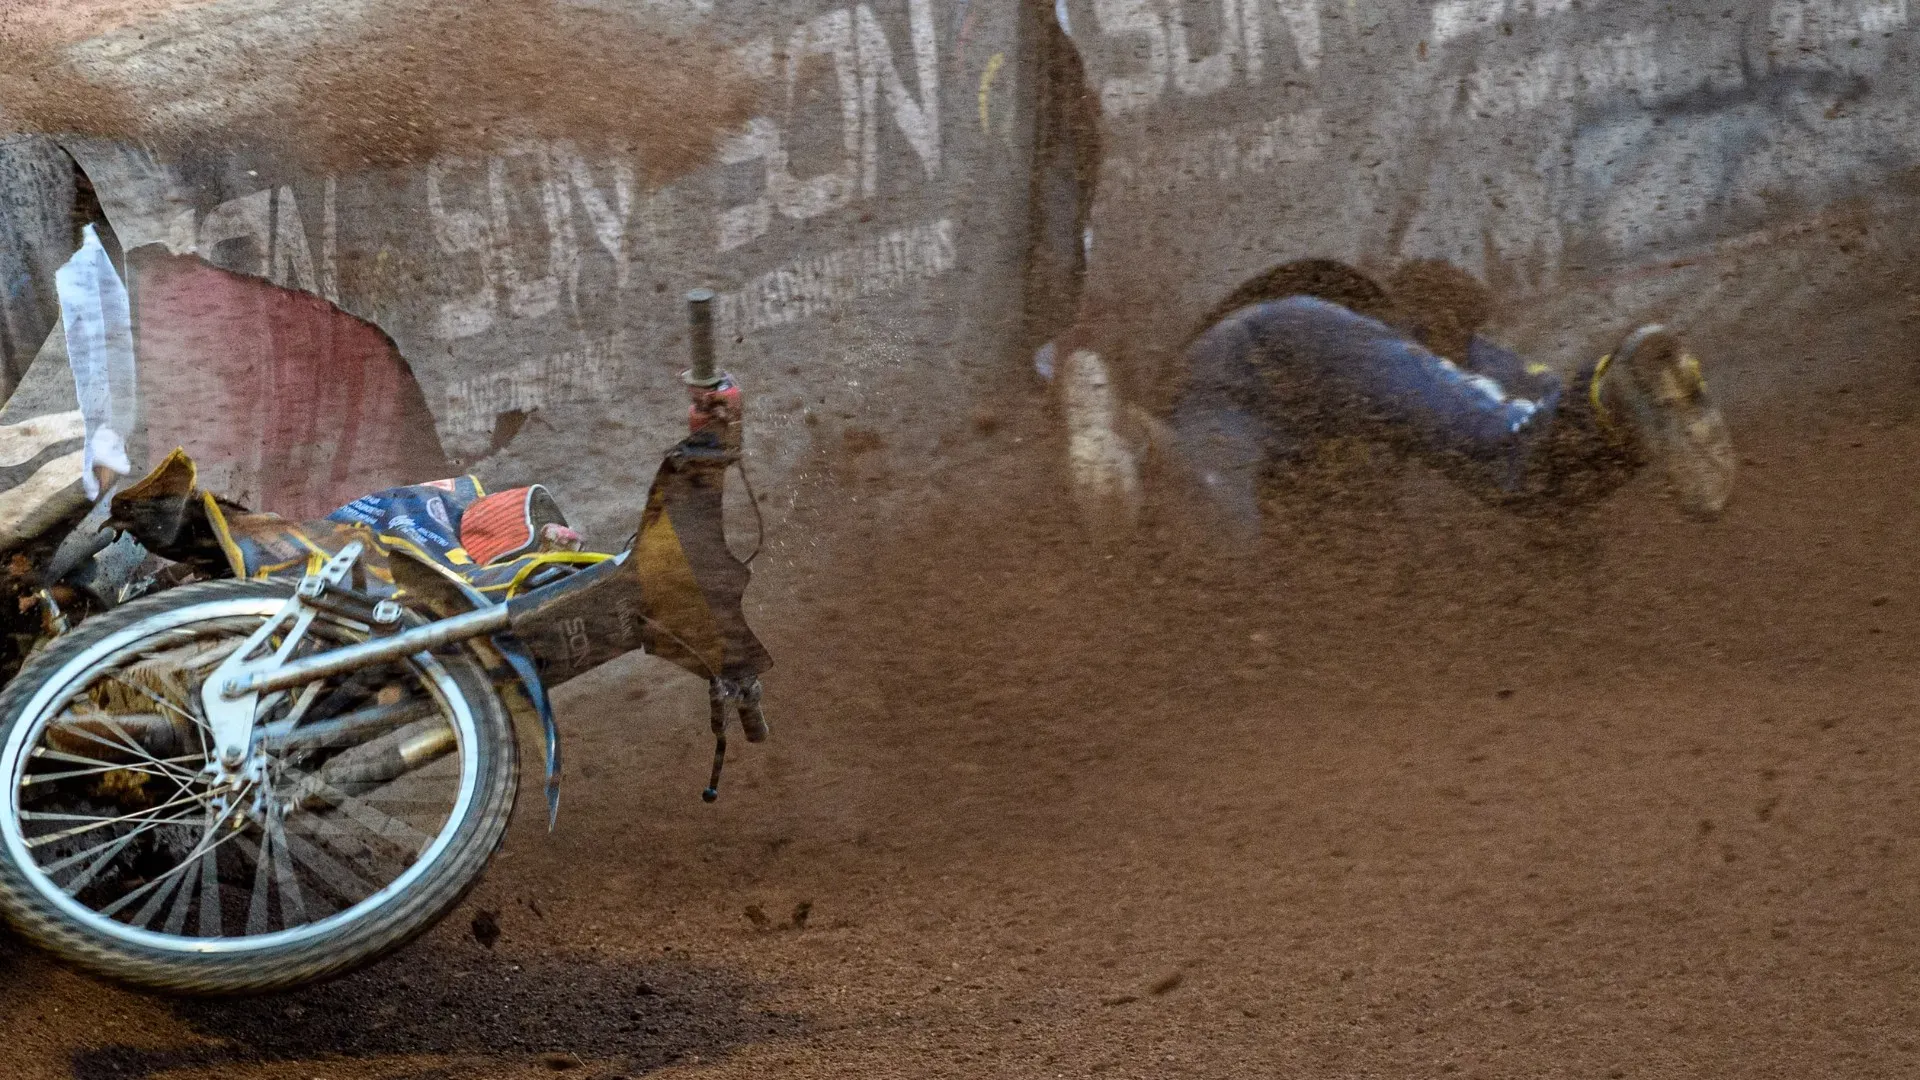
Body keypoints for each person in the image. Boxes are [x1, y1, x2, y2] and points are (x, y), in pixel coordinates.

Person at [1167, 258, 1736, 533]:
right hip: (1280, 355)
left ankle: (1136, 449)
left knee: (1217, 534)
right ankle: (1617, 395)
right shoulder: (1404, 347)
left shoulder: (1459, 360)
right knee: (1517, 451)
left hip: (1237, 379)